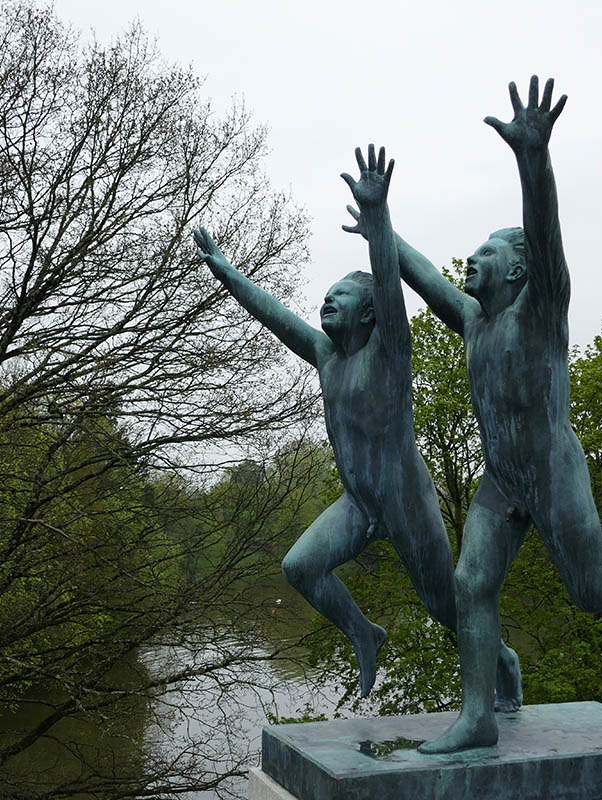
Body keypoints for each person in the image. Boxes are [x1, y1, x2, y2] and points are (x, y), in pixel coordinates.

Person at [346, 76, 602, 752]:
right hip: (502, 481)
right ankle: (477, 716)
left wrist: (533, 159)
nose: (472, 260)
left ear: (516, 270)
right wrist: (381, 223)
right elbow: (419, 271)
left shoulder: (542, 311)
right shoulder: (471, 320)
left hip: (552, 474)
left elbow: (545, 234)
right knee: (469, 584)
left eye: (485, 254)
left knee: (594, 594)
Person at [193, 145, 519, 702]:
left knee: (446, 608)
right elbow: (275, 315)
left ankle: (504, 662)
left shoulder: (390, 350)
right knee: (300, 567)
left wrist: (379, 218)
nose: (326, 302)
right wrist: (226, 272)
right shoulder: (327, 357)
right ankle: (365, 633)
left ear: (368, 313)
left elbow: (391, 287)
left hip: (403, 498)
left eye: (339, 295)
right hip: (358, 501)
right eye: (325, 296)